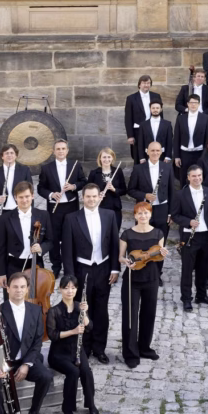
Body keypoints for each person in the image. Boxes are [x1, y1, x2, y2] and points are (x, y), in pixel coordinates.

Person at [61, 183, 120, 364]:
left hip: (103, 269)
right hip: (81, 270)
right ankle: (84, 348)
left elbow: (114, 244)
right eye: (88, 196)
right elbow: (67, 250)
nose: (91, 199)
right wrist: (70, 278)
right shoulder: (71, 218)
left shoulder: (109, 215)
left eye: (95, 196)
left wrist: (115, 268)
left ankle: (99, 348)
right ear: (82, 197)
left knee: (101, 311)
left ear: (99, 197)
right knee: (83, 310)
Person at [0, 271, 54, 414]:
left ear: (27, 289)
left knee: (46, 377)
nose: (19, 290)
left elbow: (37, 342)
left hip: (25, 360)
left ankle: (34, 411)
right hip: (2, 361)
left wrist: (27, 365)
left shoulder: (35, 310)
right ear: (7, 289)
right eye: (15, 287)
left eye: (22, 287)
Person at [119, 201, 169, 368]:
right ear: (135, 216)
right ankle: (130, 353)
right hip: (132, 279)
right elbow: (121, 257)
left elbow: (158, 256)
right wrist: (126, 261)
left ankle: (144, 348)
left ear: (150, 214)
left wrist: (163, 253)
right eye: (139, 213)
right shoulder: (127, 234)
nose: (143, 216)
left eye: (146, 213)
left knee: (149, 314)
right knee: (130, 317)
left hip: (151, 278)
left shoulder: (158, 233)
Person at [170, 164, 208, 313]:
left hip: (206, 236)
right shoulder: (180, 195)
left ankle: (201, 295)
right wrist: (188, 222)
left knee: (203, 269)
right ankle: (186, 299)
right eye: (194, 176)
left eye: (199, 175)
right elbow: (175, 215)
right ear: (188, 177)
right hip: (189, 236)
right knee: (187, 270)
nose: (197, 178)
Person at [45, 275, 97, 414]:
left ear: (76, 290)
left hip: (77, 350)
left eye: (73, 288)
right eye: (66, 288)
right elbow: (53, 335)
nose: (70, 291)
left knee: (86, 372)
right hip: (58, 353)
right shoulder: (54, 311)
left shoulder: (79, 306)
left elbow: (89, 327)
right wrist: (73, 331)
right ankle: (68, 408)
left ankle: (91, 405)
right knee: (73, 372)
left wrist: (84, 313)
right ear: (60, 289)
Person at [37, 138, 86, 277]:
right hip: (54, 208)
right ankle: (56, 266)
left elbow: (83, 181)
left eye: (63, 149)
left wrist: (73, 186)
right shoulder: (47, 168)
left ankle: (70, 267)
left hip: (71, 206)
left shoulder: (75, 165)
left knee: (70, 237)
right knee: (53, 238)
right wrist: (51, 194)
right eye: (58, 149)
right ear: (54, 151)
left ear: (67, 150)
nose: (61, 151)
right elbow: (40, 188)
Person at [0, 182, 50, 289]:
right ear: (15, 197)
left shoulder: (43, 215)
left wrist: (41, 248)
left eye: (27, 196)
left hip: (35, 265)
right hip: (13, 265)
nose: (24, 200)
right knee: (13, 300)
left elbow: (50, 240)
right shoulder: (5, 219)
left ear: (32, 196)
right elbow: (0, 248)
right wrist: (1, 273)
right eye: (21, 197)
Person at [127, 140, 174, 248]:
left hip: (162, 209)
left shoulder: (167, 167)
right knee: (141, 241)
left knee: (160, 243)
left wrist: (171, 213)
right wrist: (144, 195)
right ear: (147, 152)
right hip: (144, 209)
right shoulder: (138, 168)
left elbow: (172, 192)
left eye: (157, 150)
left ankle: (158, 264)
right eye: (152, 150)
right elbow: (130, 190)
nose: (155, 153)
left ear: (161, 152)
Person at [0, 143, 33, 238]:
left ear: (16, 155)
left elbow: (30, 192)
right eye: (6, 153)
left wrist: (30, 210)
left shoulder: (24, 170)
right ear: (2, 156)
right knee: (1, 239)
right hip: (1, 212)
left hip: (20, 210)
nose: (9, 155)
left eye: (12, 153)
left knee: (20, 238)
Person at [124, 75, 162, 165]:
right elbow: (128, 118)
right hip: (137, 132)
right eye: (144, 83)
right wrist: (130, 136)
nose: (146, 85)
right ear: (139, 85)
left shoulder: (156, 96)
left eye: (148, 83)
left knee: (154, 153)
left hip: (154, 129)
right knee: (138, 156)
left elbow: (160, 114)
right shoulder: (131, 98)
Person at [86, 148, 126, 235]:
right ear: (100, 158)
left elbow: (124, 190)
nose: (106, 160)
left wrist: (114, 189)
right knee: (101, 233)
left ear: (112, 158)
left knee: (115, 233)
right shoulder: (94, 173)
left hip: (115, 208)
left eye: (109, 157)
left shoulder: (118, 171)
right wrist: (96, 194)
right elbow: (87, 190)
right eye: (104, 157)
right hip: (100, 207)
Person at [173, 93, 208, 179]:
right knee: (184, 177)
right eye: (191, 102)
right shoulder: (181, 118)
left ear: (199, 104)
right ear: (187, 104)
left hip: (199, 153)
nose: (193, 104)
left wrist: (205, 155)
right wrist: (176, 156)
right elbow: (176, 137)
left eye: (195, 102)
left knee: (199, 177)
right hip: (184, 153)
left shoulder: (206, 118)